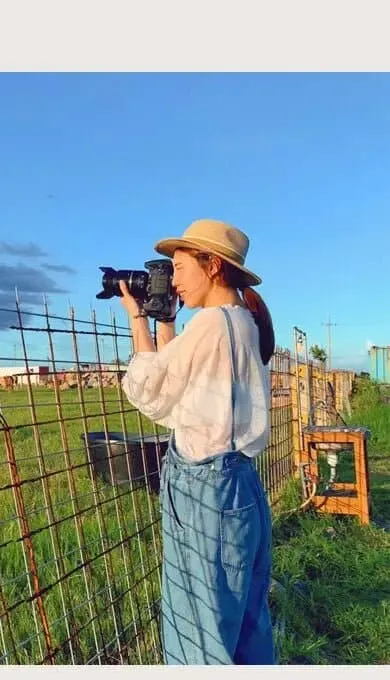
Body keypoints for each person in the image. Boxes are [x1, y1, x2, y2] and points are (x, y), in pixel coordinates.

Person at [119, 218, 276, 665]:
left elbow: (150, 386)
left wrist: (137, 318)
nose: (173, 281)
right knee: (243, 624)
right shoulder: (240, 323)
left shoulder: (212, 325)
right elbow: (179, 384)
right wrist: (165, 320)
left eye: (180, 268)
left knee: (200, 635)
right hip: (236, 484)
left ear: (212, 266)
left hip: (207, 486)